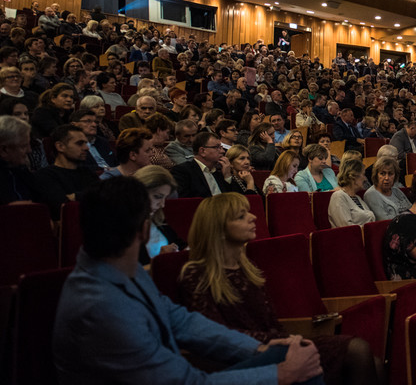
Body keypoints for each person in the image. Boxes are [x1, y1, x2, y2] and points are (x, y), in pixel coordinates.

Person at [53, 177, 324, 384]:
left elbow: (179, 320)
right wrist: (280, 374)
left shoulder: (120, 270)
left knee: (289, 353)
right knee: (292, 364)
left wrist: (259, 348)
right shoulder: (102, 307)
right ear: (144, 230)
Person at [176, 192, 380, 385]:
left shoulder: (248, 268)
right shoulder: (197, 274)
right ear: (218, 229)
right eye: (241, 216)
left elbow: (271, 321)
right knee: (357, 351)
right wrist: (279, 342)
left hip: (277, 344)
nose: (253, 217)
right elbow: (214, 334)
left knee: (374, 363)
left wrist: (288, 340)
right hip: (245, 357)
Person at [171, 131, 257, 198]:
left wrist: (227, 176)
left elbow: (233, 200)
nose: (223, 151)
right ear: (202, 151)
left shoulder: (220, 172)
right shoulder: (183, 172)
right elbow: (187, 203)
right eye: (217, 147)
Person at [133, 165, 185, 265]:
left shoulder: (159, 220)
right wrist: (160, 261)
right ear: (139, 192)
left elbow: (180, 245)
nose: (162, 204)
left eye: (164, 198)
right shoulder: (121, 231)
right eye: (157, 197)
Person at [327, 159, 376, 227]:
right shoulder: (338, 196)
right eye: (363, 174)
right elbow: (346, 228)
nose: (365, 179)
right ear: (353, 177)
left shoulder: (357, 197)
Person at [363, 156, 411, 221]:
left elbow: (411, 210)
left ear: (395, 175)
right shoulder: (371, 195)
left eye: (390, 174)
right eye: (382, 174)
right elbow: (385, 221)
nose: (386, 178)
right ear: (376, 175)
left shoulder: (395, 190)